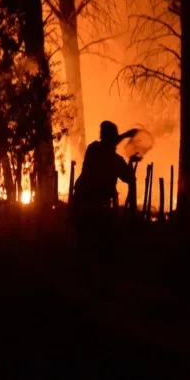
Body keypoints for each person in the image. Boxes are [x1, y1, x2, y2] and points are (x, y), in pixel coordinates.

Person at [71, 121, 140, 298]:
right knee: (102, 248)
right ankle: (99, 289)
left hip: (81, 204)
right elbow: (129, 178)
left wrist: (125, 135)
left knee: (84, 247)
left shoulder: (93, 149)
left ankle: (82, 288)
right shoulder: (115, 160)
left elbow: (109, 143)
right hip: (97, 209)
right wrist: (131, 161)